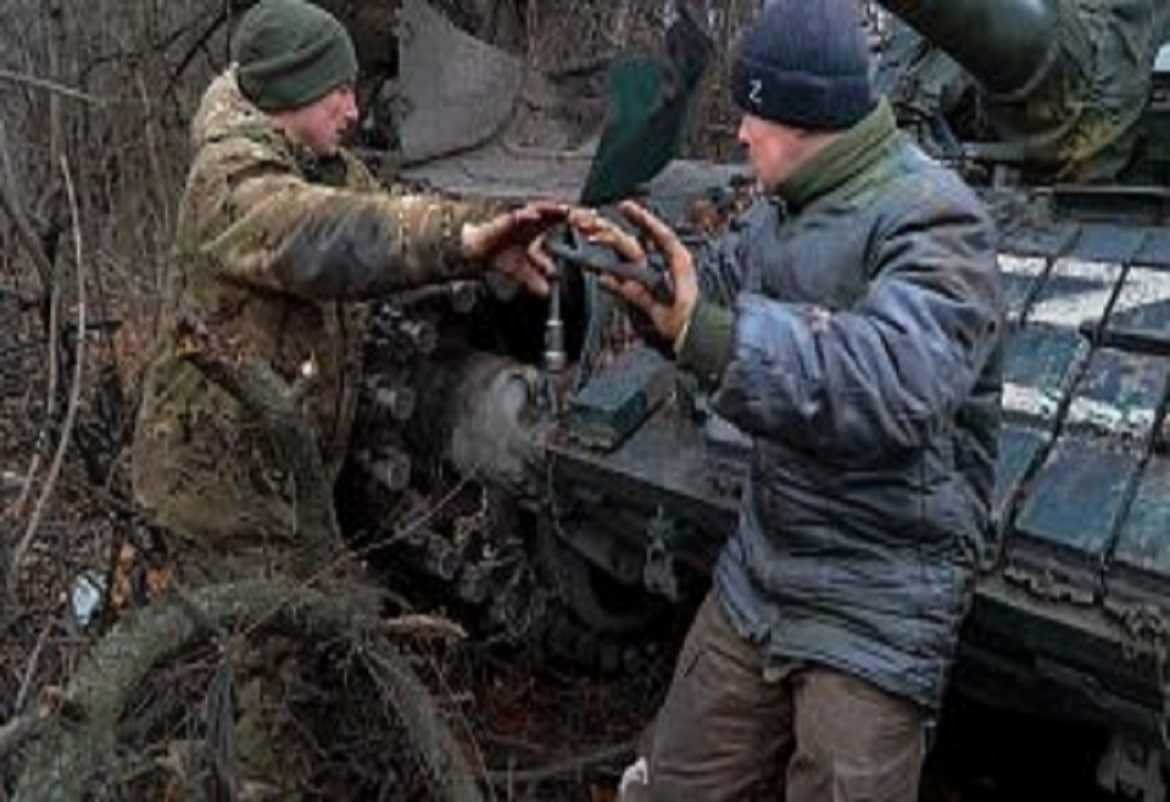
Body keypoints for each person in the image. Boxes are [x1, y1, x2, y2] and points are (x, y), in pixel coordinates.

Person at [574, 0, 1005, 799]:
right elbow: (717, 286)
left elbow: (895, 382)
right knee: (672, 783)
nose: (739, 133)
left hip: (878, 597)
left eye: (753, 113)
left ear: (807, 116)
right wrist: (651, 282)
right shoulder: (788, 203)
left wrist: (708, 335)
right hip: (764, 566)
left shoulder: (938, 220)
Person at [132, 0, 563, 584]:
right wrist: (459, 237)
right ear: (295, 90)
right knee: (251, 636)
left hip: (281, 489)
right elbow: (330, 236)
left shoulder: (323, 165)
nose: (355, 110)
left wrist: (492, 225)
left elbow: (386, 210)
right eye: (339, 91)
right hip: (216, 501)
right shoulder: (229, 182)